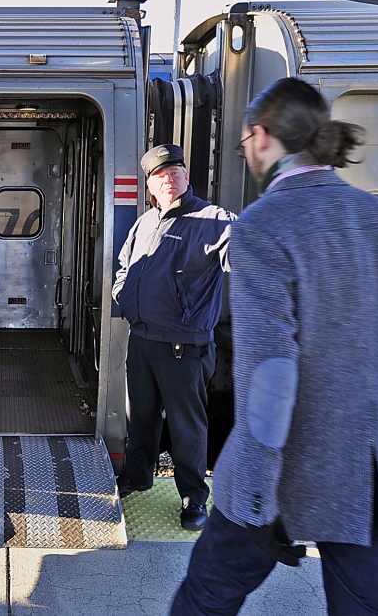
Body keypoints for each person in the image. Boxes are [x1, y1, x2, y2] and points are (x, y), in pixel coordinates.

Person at [171, 78, 378, 615]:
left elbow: (271, 374)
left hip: (283, 472)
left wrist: (255, 495)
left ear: (261, 137)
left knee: (207, 599)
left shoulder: (264, 225)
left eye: (245, 140)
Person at [112, 144, 235, 531]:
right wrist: (126, 300)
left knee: (187, 427)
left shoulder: (215, 220)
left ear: (187, 176)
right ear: (150, 185)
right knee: (141, 416)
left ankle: (193, 499)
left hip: (185, 346)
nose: (168, 180)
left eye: (174, 172)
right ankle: (137, 475)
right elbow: (124, 267)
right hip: (143, 339)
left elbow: (247, 257)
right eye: (159, 176)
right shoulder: (144, 222)